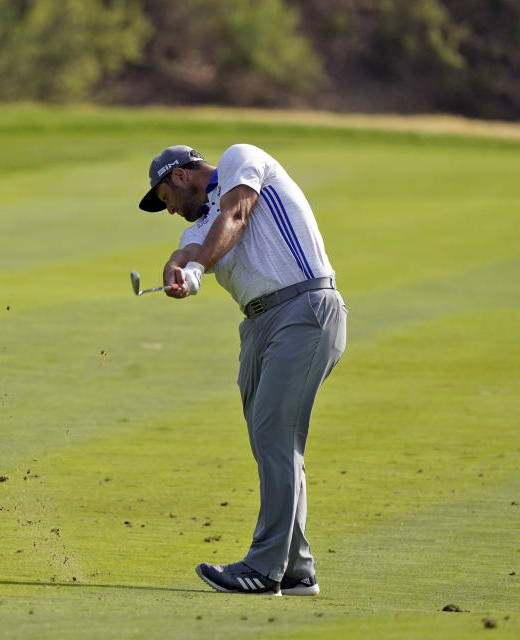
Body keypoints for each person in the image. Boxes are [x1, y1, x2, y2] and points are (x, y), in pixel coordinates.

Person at [137, 144, 347, 596]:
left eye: (164, 198)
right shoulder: (198, 225)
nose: (168, 210)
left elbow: (236, 215)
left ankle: (263, 568)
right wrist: (178, 266)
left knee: (275, 434)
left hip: (304, 308)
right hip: (258, 326)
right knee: (272, 442)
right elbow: (191, 247)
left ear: (179, 177)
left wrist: (195, 267)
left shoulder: (240, 159)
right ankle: (295, 569)